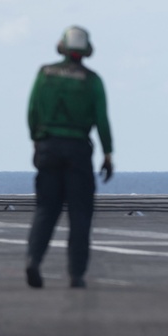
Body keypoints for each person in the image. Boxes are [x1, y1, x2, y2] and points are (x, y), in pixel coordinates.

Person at [25, 26, 113, 289]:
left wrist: (36, 140)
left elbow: (32, 110)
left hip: (48, 147)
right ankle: (75, 274)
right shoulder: (91, 80)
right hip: (77, 149)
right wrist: (108, 153)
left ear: (62, 46)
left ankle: (33, 260)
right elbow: (101, 120)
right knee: (80, 214)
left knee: (45, 210)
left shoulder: (45, 74)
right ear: (86, 51)